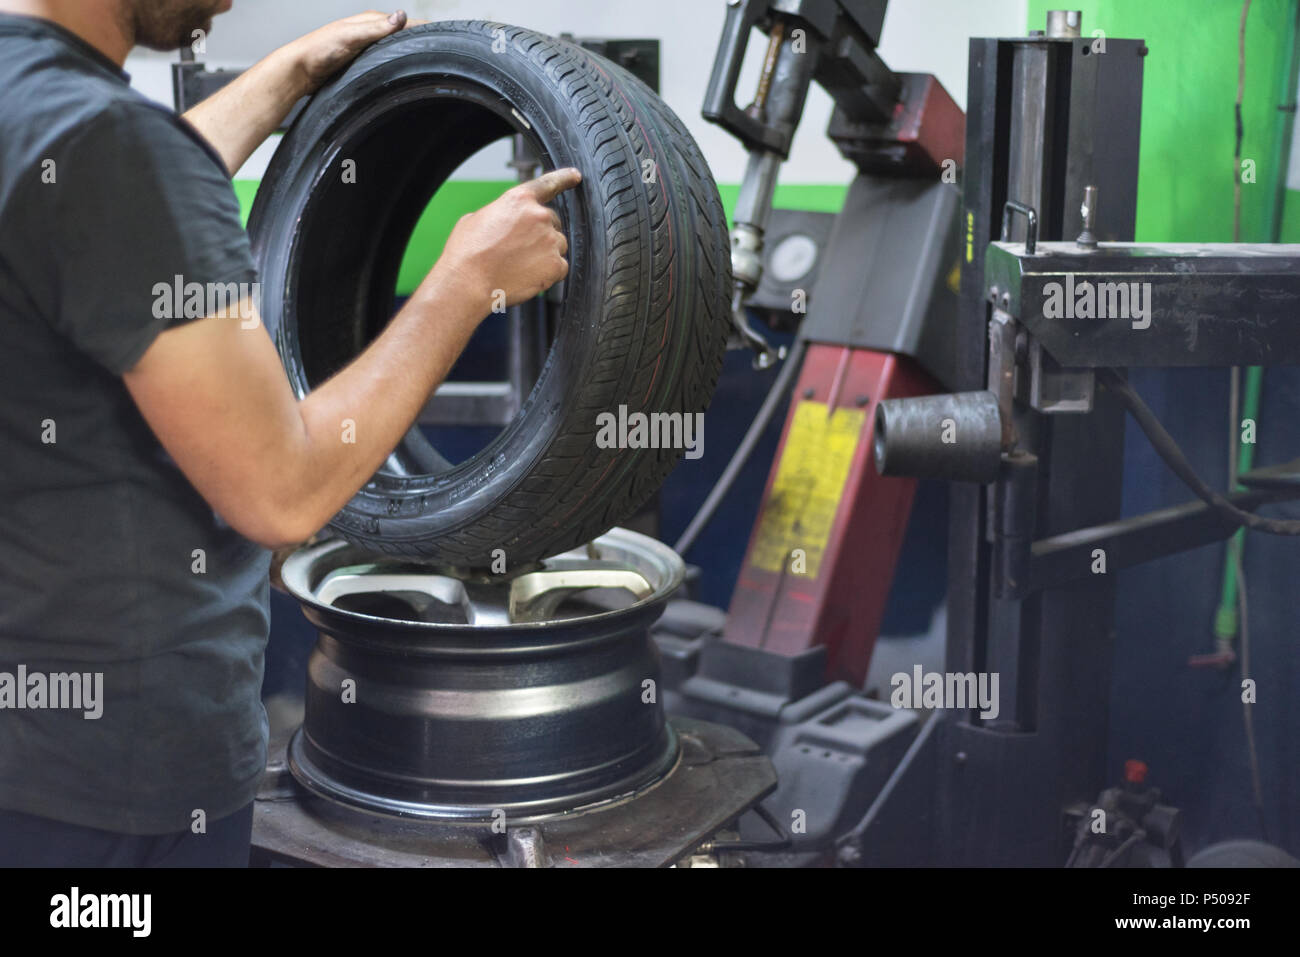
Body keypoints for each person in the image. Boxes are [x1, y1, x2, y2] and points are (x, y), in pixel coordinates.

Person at [0, 1, 580, 866]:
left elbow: (90, 208)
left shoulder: (37, 108)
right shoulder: (107, 144)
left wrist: (272, 86)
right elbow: (282, 490)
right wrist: (467, 283)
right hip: (118, 788)